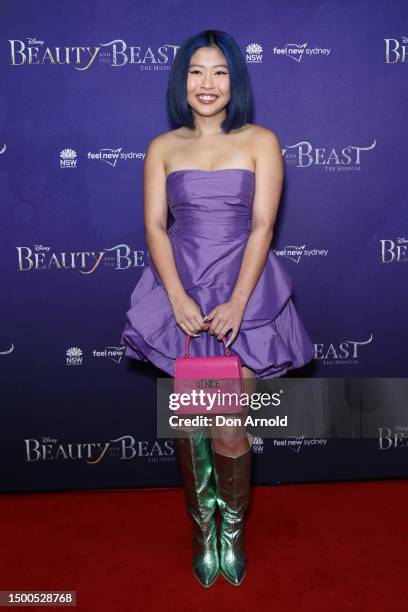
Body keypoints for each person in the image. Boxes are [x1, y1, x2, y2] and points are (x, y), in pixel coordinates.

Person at [120, 29, 315, 587]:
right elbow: (156, 225)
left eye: (220, 72)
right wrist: (178, 296)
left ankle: (233, 528)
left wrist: (237, 300)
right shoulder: (163, 147)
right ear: (183, 81)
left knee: (228, 428)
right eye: (197, 72)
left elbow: (262, 226)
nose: (208, 84)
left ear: (236, 80)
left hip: (242, 293)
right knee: (189, 428)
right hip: (179, 292)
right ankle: (202, 527)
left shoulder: (261, 140)